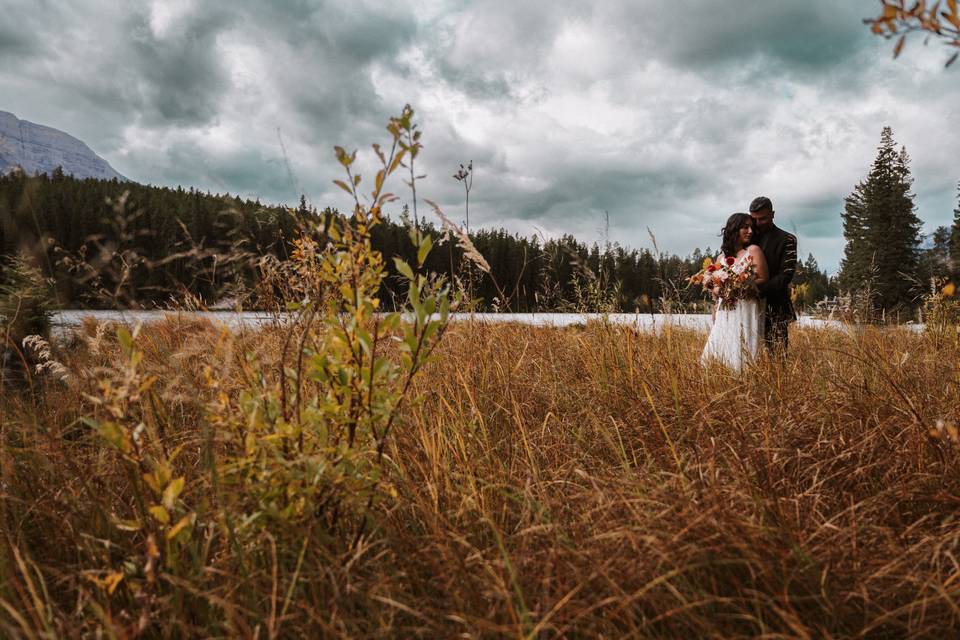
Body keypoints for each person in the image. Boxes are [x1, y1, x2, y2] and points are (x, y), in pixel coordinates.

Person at [701, 213, 769, 371]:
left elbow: (764, 279)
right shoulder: (722, 258)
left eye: (751, 227)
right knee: (721, 347)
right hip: (725, 310)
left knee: (744, 347)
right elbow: (715, 289)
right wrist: (715, 288)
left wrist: (739, 286)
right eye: (745, 227)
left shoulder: (753, 251)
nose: (750, 231)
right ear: (733, 229)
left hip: (747, 307)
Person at [748, 196, 797, 355]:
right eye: (754, 219)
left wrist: (756, 291)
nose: (757, 223)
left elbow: (785, 276)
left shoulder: (787, 239)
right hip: (747, 307)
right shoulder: (747, 237)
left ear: (772, 214)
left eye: (762, 219)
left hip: (775, 306)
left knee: (777, 355)